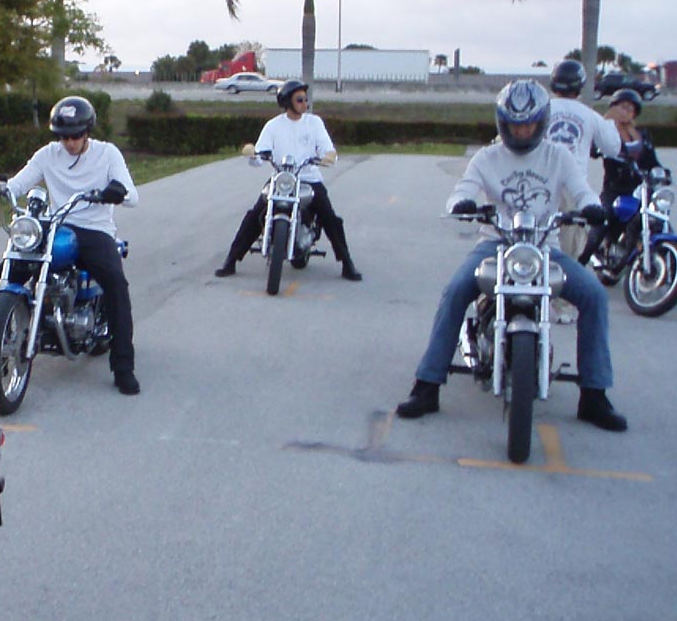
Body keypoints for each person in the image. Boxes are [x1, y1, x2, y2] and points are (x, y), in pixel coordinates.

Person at [393, 80, 625, 432]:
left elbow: (582, 190)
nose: (522, 131)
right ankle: (427, 385)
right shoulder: (487, 157)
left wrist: (592, 207)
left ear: (541, 122)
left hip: (545, 246)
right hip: (495, 243)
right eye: (515, 125)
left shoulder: (558, 156)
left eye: (529, 124)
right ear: (503, 123)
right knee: (455, 291)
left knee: (593, 295)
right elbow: (463, 188)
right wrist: (461, 203)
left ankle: (594, 395)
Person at [0, 95, 141, 396]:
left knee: (116, 283)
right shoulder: (48, 155)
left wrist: (115, 192)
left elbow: (132, 195)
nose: (69, 142)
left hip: (94, 229)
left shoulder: (107, 154)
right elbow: (19, 184)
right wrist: (1, 186)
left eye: (75, 135)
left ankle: (123, 366)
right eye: (64, 136)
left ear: (87, 131)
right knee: (4, 272)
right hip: (56, 226)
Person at [213, 79, 362, 281]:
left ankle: (347, 263)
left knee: (329, 216)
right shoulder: (273, 126)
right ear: (286, 101)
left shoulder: (314, 123)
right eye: (299, 99)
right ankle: (231, 260)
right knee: (256, 213)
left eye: (305, 99)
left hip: (309, 178)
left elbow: (326, 148)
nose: (304, 103)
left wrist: (328, 156)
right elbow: (260, 154)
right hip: (282, 179)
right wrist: (253, 155)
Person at [544, 59, 625, 321]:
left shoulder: (543, 108)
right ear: (579, 86)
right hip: (572, 187)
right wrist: (610, 123)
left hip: (539, 181)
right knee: (569, 250)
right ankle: (563, 306)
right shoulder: (588, 114)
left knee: (531, 240)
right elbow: (613, 147)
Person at [578, 87, 663, 269]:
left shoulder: (642, 134)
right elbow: (593, 150)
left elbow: (651, 160)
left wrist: (661, 172)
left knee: (658, 218)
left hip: (640, 189)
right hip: (614, 189)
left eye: (631, 109)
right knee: (601, 223)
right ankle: (580, 263)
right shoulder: (607, 131)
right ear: (614, 108)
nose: (627, 112)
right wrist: (605, 122)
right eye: (623, 107)